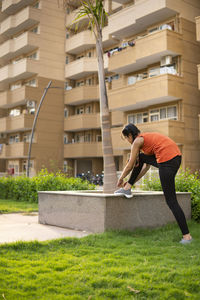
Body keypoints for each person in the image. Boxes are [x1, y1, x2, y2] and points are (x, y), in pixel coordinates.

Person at [114, 123, 192, 244]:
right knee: (140, 158)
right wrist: (130, 183)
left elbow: (130, 165)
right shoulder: (146, 141)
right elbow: (145, 168)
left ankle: (187, 237)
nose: (128, 141)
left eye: (126, 138)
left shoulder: (137, 141)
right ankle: (127, 188)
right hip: (175, 158)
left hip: (167, 162)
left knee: (171, 201)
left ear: (130, 135)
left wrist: (121, 178)